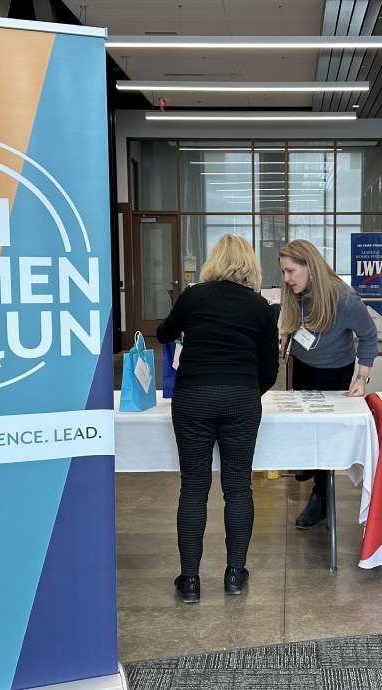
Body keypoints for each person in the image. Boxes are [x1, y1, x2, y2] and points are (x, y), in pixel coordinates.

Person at [156, 234, 279, 604]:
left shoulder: (194, 297)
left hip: (192, 398)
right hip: (242, 398)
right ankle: (234, 575)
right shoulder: (260, 307)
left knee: (193, 487)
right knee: (238, 487)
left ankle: (190, 581)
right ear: (250, 265)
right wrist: (244, 390)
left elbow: (163, 333)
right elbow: (270, 369)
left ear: (215, 261)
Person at [278, 239, 378, 529]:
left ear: (310, 267)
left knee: (323, 432)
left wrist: (362, 379)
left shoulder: (344, 298)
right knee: (302, 423)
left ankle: (321, 496)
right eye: (284, 272)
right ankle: (308, 462)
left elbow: (369, 336)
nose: (286, 279)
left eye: (291, 271)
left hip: (335, 370)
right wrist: (286, 331)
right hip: (302, 364)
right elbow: (293, 321)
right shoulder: (295, 293)